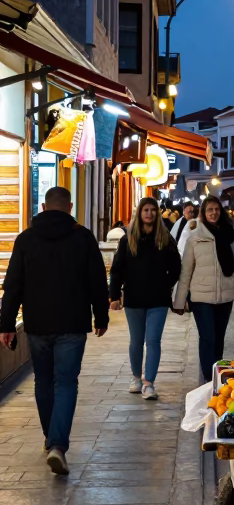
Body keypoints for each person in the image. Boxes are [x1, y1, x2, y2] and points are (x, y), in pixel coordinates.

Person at [0, 185, 109, 475]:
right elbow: (97, 281)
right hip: (72, 323)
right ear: (70, 208)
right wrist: (101, 317)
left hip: (37, 324)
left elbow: (12, 284)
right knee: (66, 382)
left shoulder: (26, 239)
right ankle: (58, 444)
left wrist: (6, 324)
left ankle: (51, 439)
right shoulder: (83, 238)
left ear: (45, 208)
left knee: (43, 381)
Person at [174, 195, 234, 379]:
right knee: (208, 338)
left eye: (216, 209)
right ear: (203, 212)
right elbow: (185, 271)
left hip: (225, 296)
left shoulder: (230, 234)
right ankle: (208, 380)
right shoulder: (195, 236)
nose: (213, 213)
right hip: (201, 298)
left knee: (218, 340)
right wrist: (179, 301)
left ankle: (216, 377)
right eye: (210, 209)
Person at [109, 197, 181, 400]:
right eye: (145, 210)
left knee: (153, 341)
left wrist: (166, 284)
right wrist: (114, 295)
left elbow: (176, 266)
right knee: (136, 340)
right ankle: (135, 377)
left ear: (157, 213)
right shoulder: (128, 239)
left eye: (153, 210)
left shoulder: (165, 239)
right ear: (139, 213)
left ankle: (149, 382)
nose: (149, 213)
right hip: (134, 298)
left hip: (158, 298)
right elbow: (117, 269)